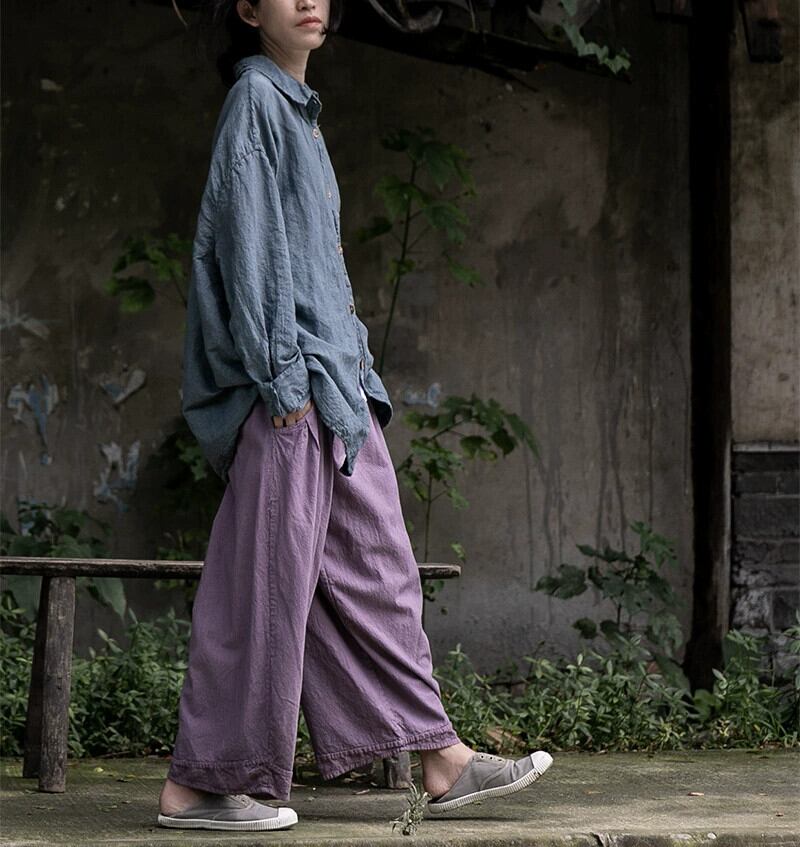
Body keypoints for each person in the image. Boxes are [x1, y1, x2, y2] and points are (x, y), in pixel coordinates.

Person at [156, 0, 552, 831]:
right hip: (292, 394)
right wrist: (284, 384)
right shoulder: (256, 102)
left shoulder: (300, 114)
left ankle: (440, 758)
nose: (309, 0)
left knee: (376, 577)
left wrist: (357, 373)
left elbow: (319, 267)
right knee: (263, 590)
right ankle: (200, 783)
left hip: (339, 392)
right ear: (247, 10)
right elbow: (251, 254)